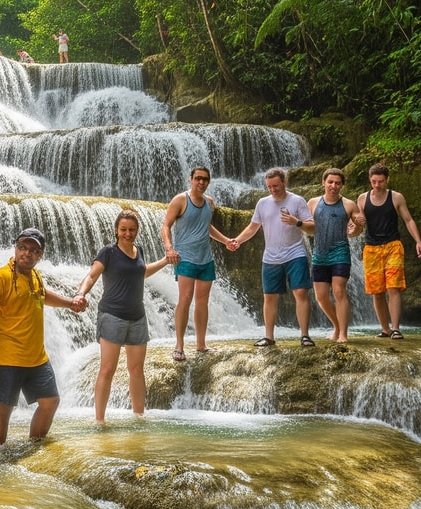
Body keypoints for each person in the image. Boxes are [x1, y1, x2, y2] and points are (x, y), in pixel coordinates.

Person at [0, 228, 87, 445]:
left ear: (40, 255)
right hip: (7, 356)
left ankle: (35, 445)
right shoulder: (2, 276)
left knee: (50, 401)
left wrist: (69, 303)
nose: (27, 253)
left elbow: (43, 295)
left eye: (33, 250)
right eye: (22, 248)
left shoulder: (35, 276)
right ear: (15, 248)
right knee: (4, 408)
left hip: (36, 357)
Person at [73, 210, 170, 423]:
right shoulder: (108, 252)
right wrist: (81, 293)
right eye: (124, 229)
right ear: (116, 230)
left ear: (137, 231)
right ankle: (99, 420)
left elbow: (141, 272)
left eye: (132, 230)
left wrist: (165, 261)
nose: (128, 233)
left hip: (137, 317)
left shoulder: (139, 251)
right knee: (108, 368)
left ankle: (139, 416)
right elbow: (91, 275)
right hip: (112, 316)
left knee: (136, 370)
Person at [227, 168, 314, 347]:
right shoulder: (262, 203)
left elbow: (312, 227)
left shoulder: (297, 201)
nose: (273, 189)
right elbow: (253, 227)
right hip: (271, 257)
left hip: (295, 253)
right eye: (269, 187)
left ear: (284, 182)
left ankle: (305, 335)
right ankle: (269, 337)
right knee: (269, 296)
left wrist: (296, 222)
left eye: (276, 185)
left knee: (300, 292)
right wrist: (237, 241)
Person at [160, 167, 232, 360]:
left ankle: (201, 344)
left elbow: (206, 227)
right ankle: (179, 346)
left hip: (205, 259)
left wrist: (225, 240)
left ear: (208, 182)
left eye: (205, 179)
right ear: (190, 179)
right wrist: (169, 248)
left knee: (202, 302)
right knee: (185, 299)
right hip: (185, 258)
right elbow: (166, 225)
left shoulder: (209, 202)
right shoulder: (180, 200)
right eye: (198, 178)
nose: (201, 182)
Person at [361, 163, 421, 339]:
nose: (377, 185)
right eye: (374, 181)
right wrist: (353, 227)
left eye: (380, 181)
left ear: (387, 180)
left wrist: (418, 242)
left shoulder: (396, 197)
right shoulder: (362, 199)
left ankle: (395, 328)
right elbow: (359, 224)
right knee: (377, 291)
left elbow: (408, 220)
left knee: (393, 287)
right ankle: (385, 329)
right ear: (370, 180)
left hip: (393, 246)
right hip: (371, 249)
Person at [308, 168, 365, 343]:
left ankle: (343, 334)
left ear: (342, 185)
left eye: (337, 183)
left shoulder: (349, 205)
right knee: (321, 296)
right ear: (323, 182)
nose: (333, 186)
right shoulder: (312, 203)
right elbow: (308, 227)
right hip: (319, 254)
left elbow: (356, 230)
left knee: (339, 291)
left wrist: (358, 225)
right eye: (330, 182)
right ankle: (337, 326)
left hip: (340, 253)